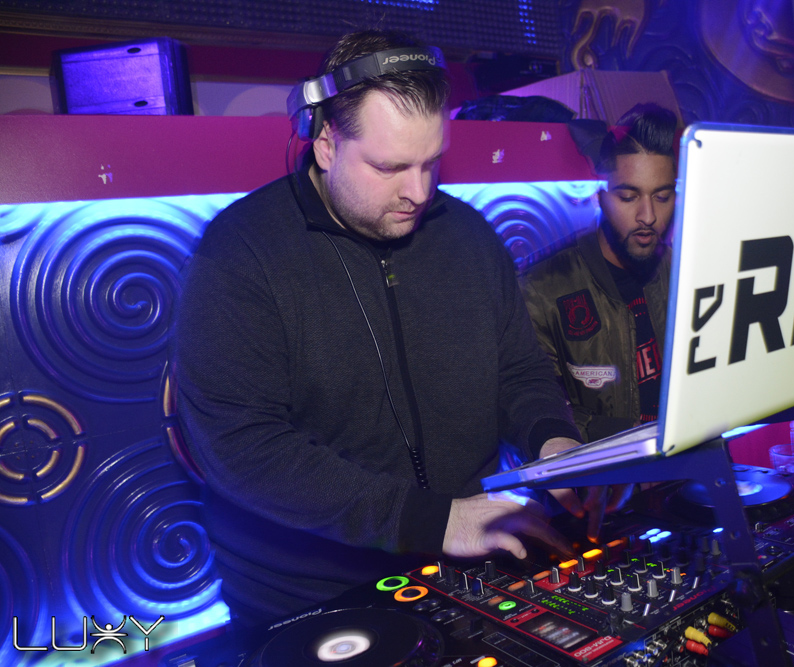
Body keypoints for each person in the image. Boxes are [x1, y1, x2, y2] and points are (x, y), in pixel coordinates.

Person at [172, 29, 589, 628]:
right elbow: (243, 448)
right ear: (325, 143)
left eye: (431, 162)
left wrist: (554, 445)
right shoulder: (240, 255)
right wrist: (428, 520)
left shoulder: (470, 237)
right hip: (306, 599)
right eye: (390, 166)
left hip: (463, 571)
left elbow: (518, 372)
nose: (418, 192)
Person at [521, 104, 678, 443]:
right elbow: (535, 405)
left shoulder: (684, 273)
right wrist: (624, 439)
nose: (648, 216)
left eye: (662, 196)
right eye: (628, 197)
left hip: (690, 468)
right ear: (600, 196)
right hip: (603, 474)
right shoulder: (543, 289)